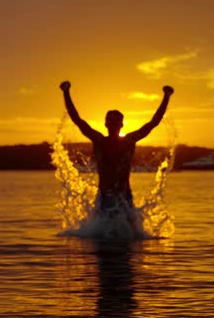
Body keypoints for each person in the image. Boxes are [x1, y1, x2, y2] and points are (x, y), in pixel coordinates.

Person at [59, 80, 174, 216]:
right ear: (105, 123)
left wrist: (166, 97)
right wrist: (66, 93)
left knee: (128, 231)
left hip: (124, 196)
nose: (112, 123)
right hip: (104, 196)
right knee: (103, 232)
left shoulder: (129, 141)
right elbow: (77, 119)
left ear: (121, 124)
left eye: (116, 120)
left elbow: (153, 122)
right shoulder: (99, 140)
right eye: (110, 120)